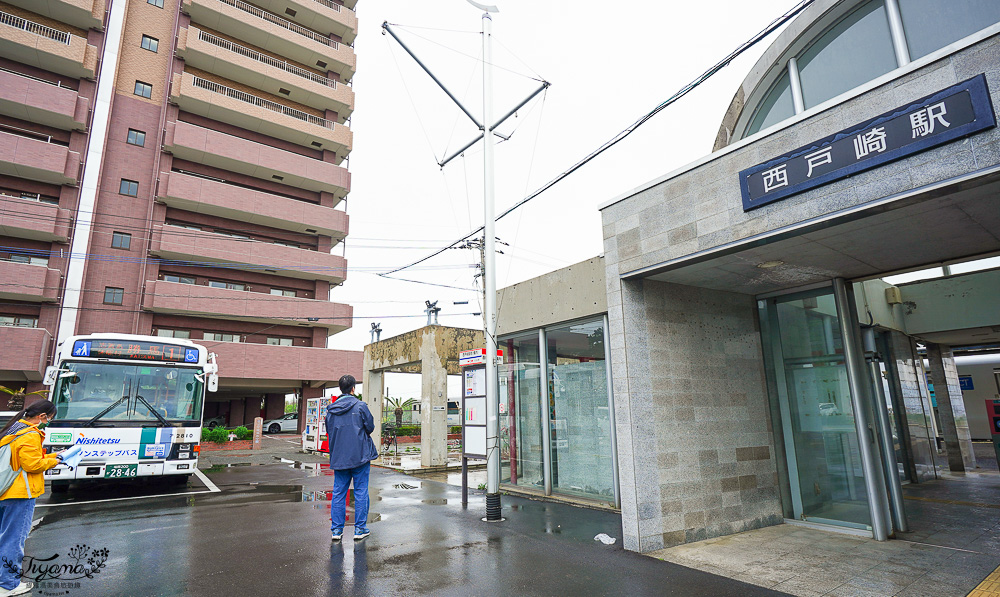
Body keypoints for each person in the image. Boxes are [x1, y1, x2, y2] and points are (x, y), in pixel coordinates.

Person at [0, 400, 63, 597]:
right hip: (20, 493)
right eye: (49, 418)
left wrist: (53, 456)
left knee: (4, 537)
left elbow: (23, 459)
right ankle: (8, 585)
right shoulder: (30, 434)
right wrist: (55, 461)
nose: (48, 422)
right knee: (14, 540)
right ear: (42, 416)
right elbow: (32, 465)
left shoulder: (12, 430)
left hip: (4, 489)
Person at [325, 375, 378, 542]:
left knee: (339, 493)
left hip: (339, 457)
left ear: (340, 388)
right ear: (353, 388)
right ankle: (360, 529)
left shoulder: (331, 410)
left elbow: (329, 430)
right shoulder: (360, 406)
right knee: (361, 491)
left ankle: (336, 531)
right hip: (360, 455)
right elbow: (370, 427)